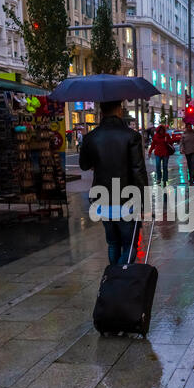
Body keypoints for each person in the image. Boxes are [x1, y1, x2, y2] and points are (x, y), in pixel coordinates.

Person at [79, 100, 148, 265]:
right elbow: (138, 170)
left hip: (102, 198)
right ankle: (119, 274)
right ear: (119, 110)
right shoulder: (132, 136)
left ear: (101, 111)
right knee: (129, 244)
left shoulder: (91, 137)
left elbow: (84, 165)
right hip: (127, 198)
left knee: (113, 242)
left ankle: (114, 277)